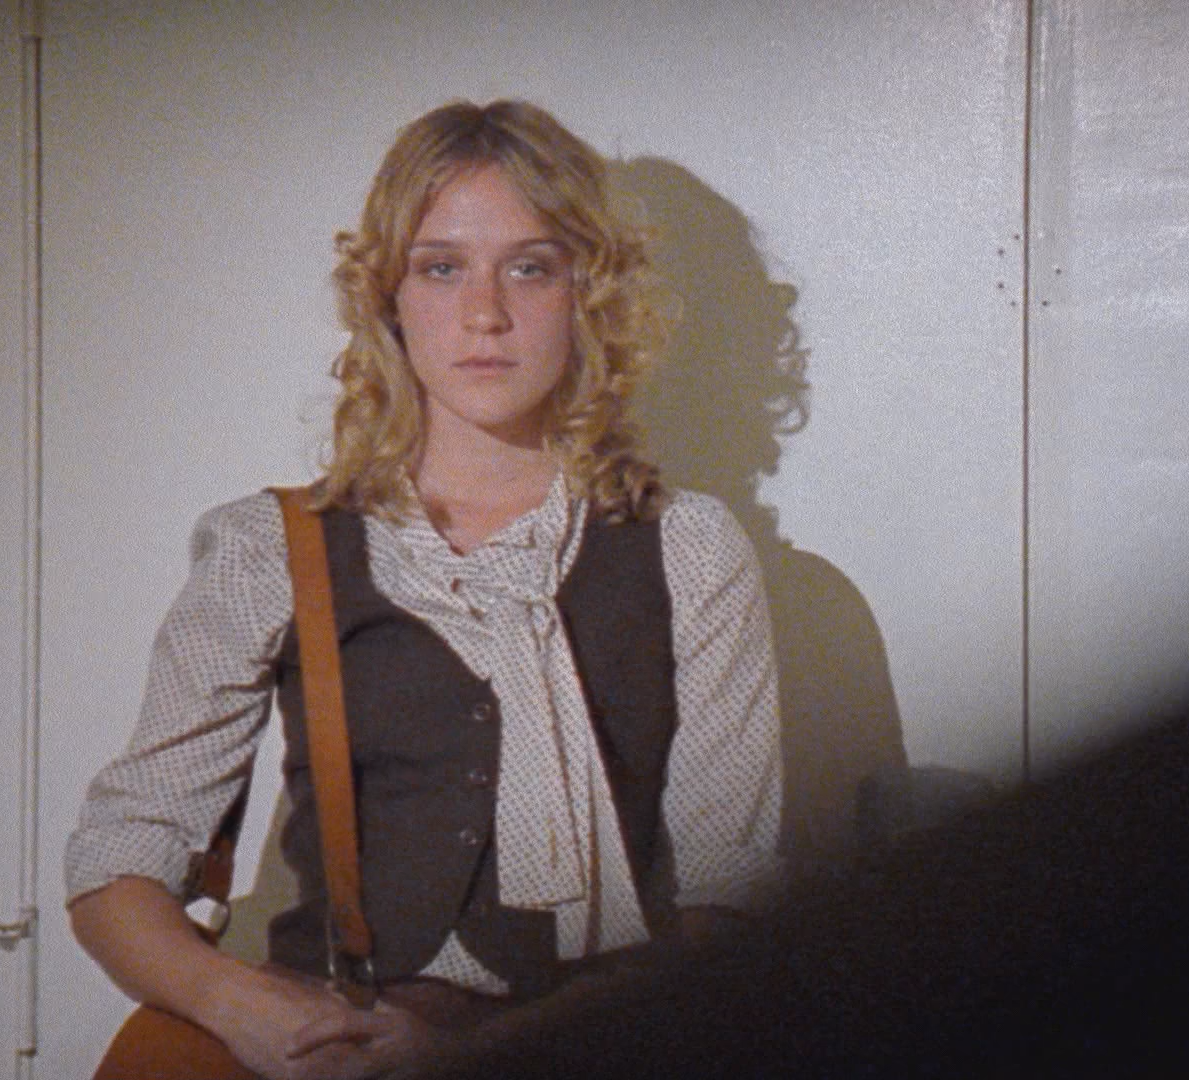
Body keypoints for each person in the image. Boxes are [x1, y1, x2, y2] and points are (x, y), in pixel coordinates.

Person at [65, 99, 783, 1080]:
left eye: (530, 267)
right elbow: (118, 866)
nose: (485, 314)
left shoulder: (688, 548)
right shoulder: (272, 549)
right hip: (333, 1046)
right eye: (441, 267)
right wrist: (244, 1008)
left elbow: (728, 911)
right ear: (389, 298)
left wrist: (472, 1050)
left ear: (589, 292)